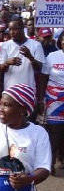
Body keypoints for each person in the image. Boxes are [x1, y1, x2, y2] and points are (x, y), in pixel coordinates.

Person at [38, 32, 64, 173]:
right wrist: (41, 98)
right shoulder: (52, 56)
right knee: (55, 131)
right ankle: (51, 161)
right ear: (60, 41)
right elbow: (43, 78)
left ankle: (61, 158)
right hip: (54, 99)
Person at [0, 19, 44, 91]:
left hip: (28, 90)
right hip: (10, 91)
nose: (12, 32)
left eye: (15, 29)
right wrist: (7, 63)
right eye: (10, 29)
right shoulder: (4, 45)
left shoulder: (36, 45)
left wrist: (30, 57)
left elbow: (39, 68)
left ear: (22, 28)